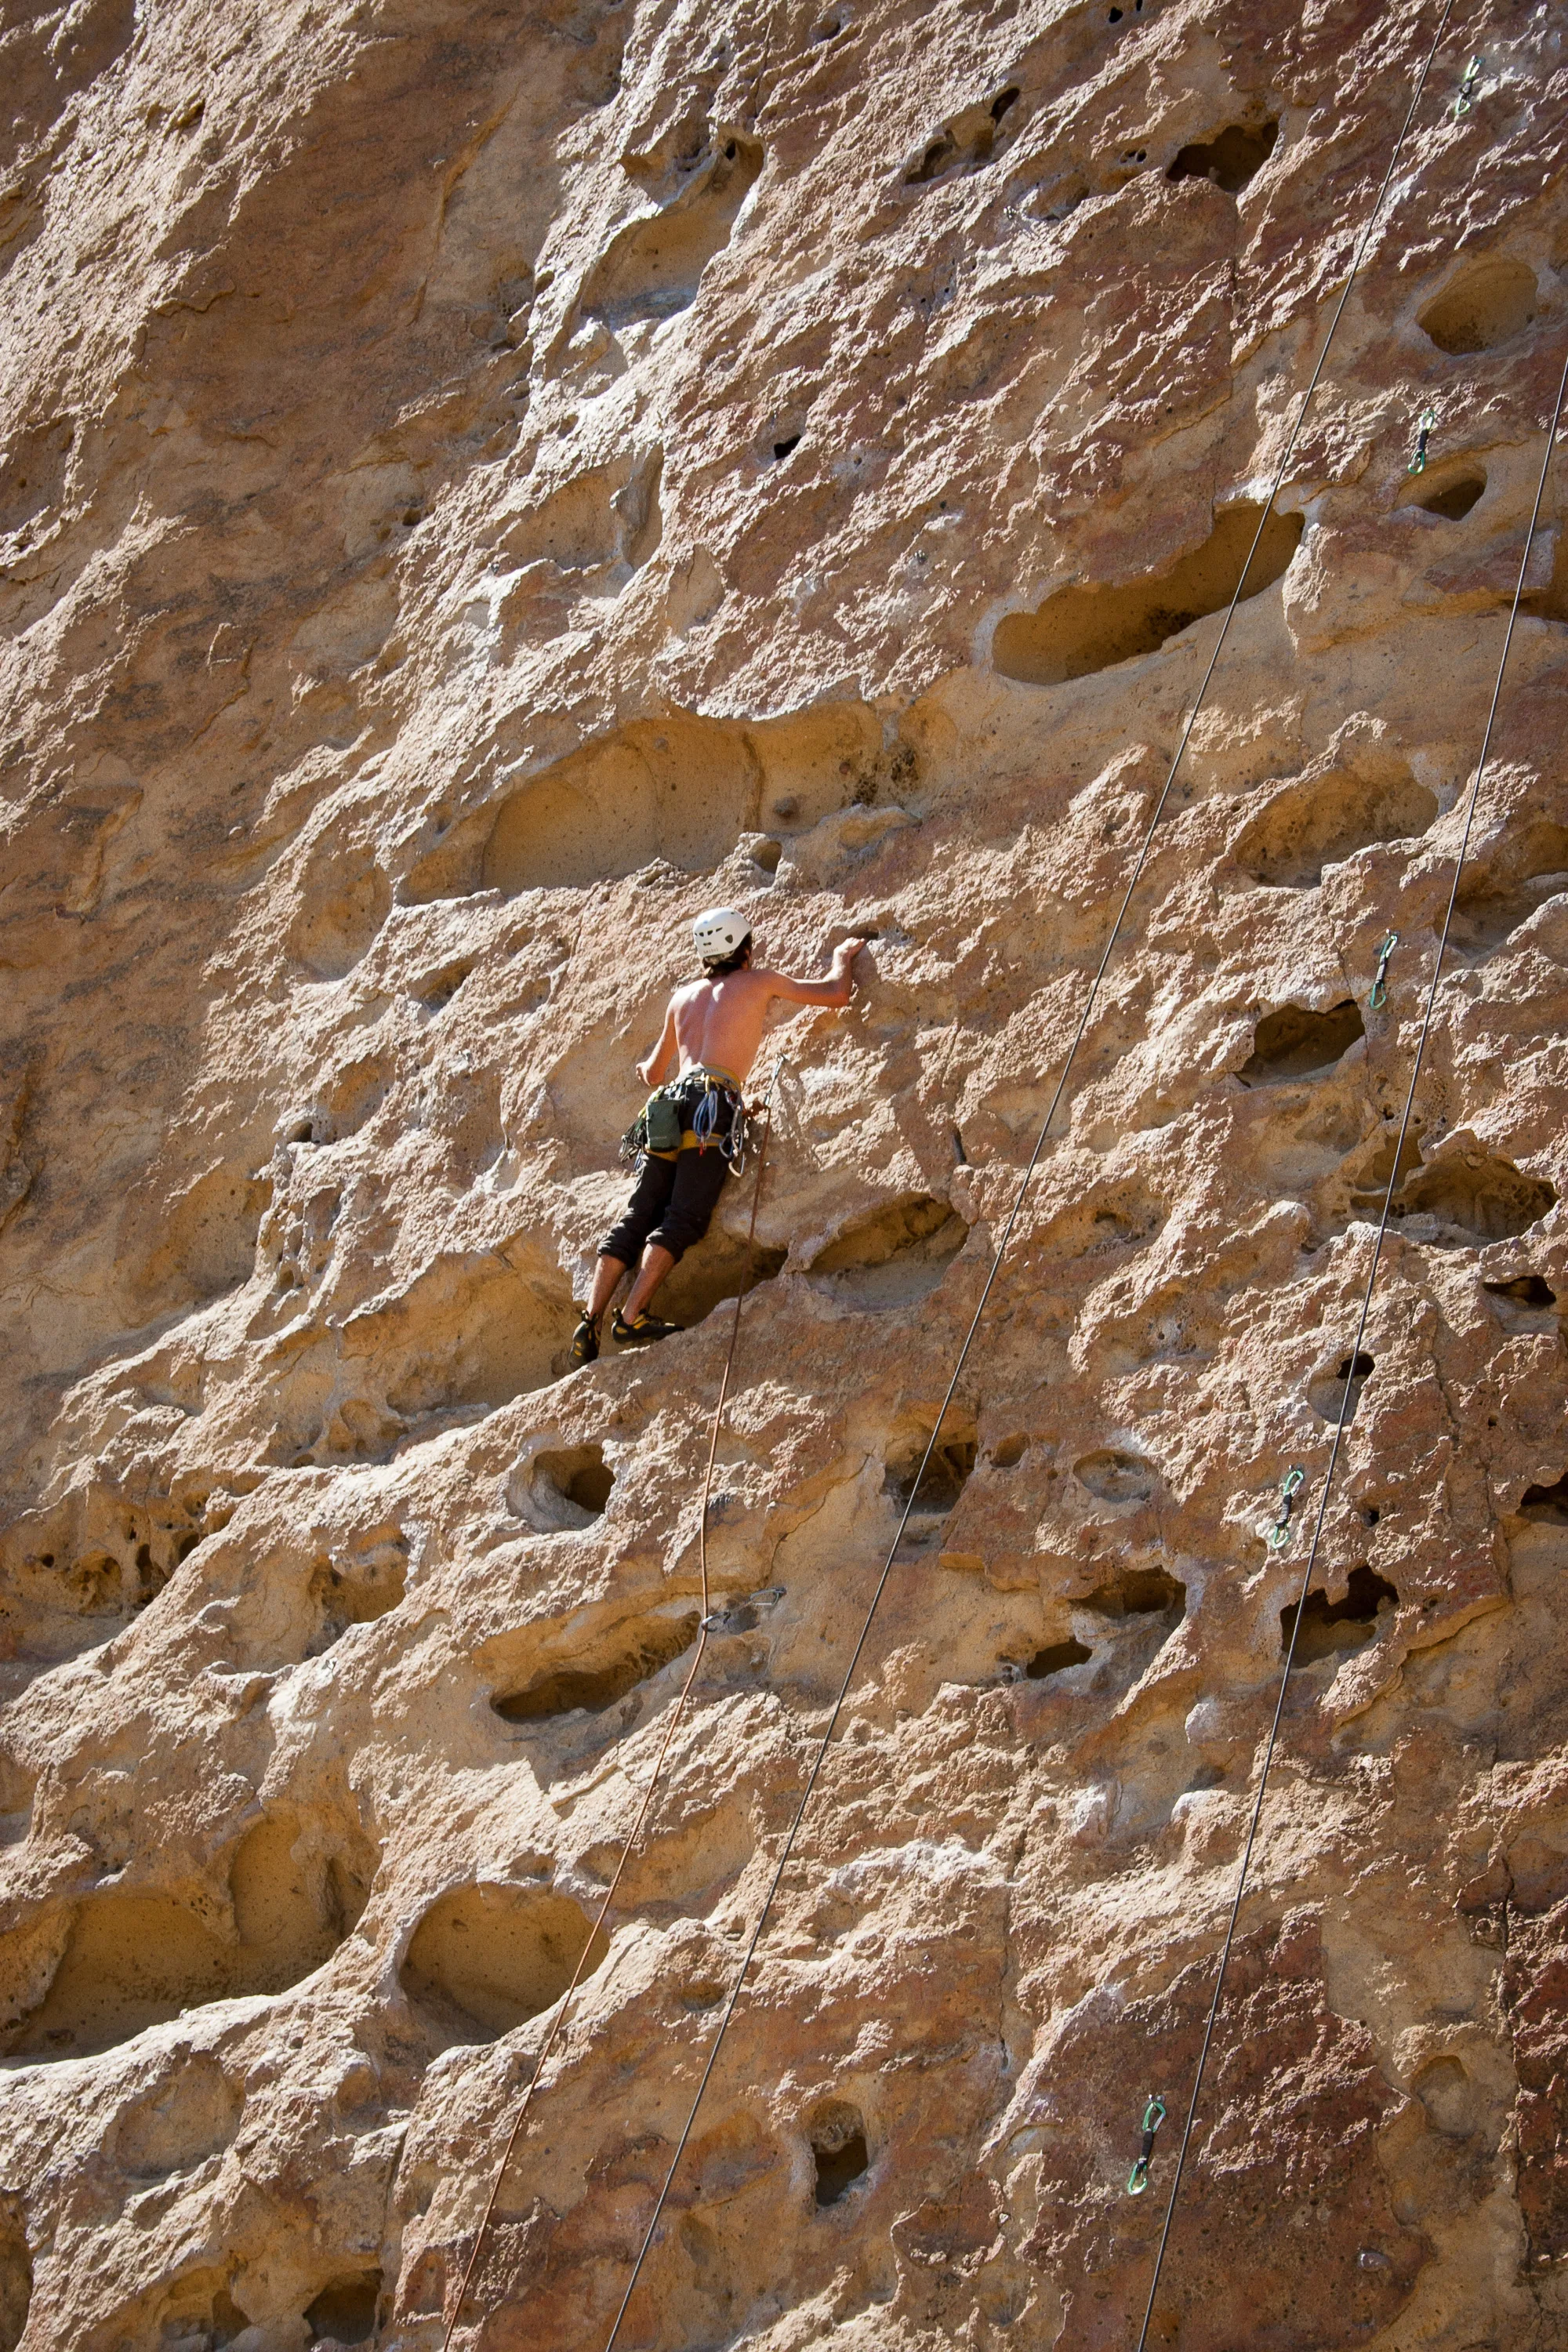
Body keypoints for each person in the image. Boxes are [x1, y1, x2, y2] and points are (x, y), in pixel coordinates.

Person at [571, 909, 865, 1363]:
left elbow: (652, 1073)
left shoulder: (682, 998)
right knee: (683, 1216)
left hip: (668, 1105)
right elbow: (837, 993)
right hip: (712, 1106)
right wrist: (843, 956)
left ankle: (589, 1320)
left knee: (640, 1211)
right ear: (745, 949)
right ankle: (631, 1317)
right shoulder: (758, 981)